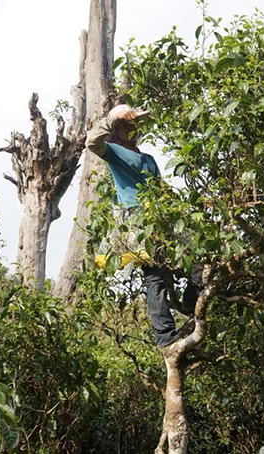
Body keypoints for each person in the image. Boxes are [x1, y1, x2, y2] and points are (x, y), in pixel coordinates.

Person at [86, 104, 203, 348]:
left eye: (135, 123)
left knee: (199, 257)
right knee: (156, 277)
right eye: (129, 123)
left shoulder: (147, 159)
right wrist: (114, 118)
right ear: (119, 128)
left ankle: (192, 303)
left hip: (161, 218)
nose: (135, 127)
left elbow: (162, 189)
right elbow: (92, 143)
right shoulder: (114, 152)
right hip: (139, 222)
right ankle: (166, 337)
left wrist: (190, 209)